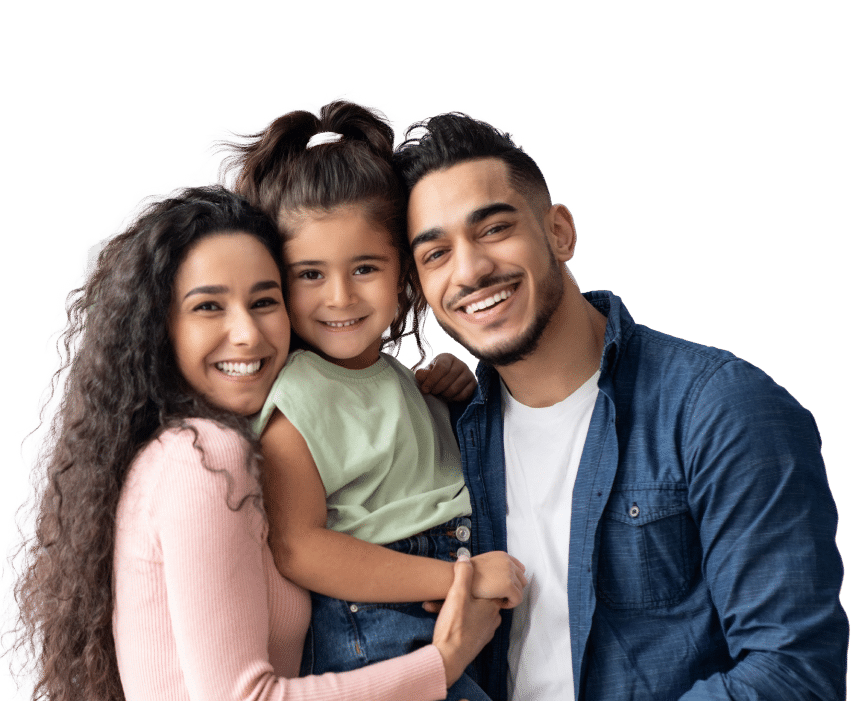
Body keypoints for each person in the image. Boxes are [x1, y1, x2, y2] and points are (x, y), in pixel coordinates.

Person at [392, 112, 849, 700]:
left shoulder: (721, 409)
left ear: (559, 232)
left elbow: (792, 674)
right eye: (435, 254)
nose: (471, 271)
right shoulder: (443, 434)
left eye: (494, 229)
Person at [3, 185, 502, 701]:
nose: (246, 333)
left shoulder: (229, 447)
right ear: (159, 327)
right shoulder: (204, 457)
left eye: (264, 301)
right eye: (208, 307)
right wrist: (442, 664)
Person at [217, 99, 526, 701]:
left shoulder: (391, 377)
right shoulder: (299, 393)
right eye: (309, 274)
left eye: (365, 268)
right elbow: (299, 545)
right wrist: (457, 576)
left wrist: (445, 396)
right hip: (380, 627)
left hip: (442, 601)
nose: (340, 297)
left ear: (405, 274)